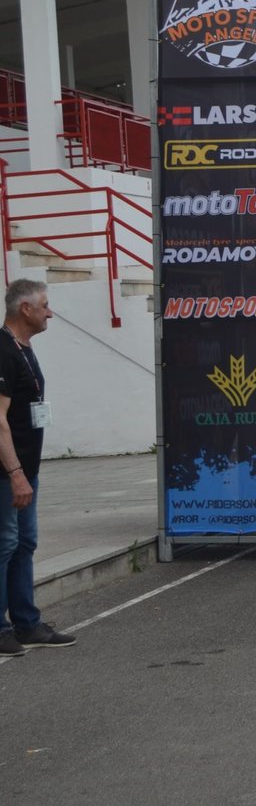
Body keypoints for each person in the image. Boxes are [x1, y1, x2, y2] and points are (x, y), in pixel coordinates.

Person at [0, 279, 76, 656]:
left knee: (25, 542)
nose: (50, 313)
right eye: (44, 306)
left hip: (26, 470)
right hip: (7, 472)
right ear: (25, 309)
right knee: (5, 544)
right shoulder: (3, 351)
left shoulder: (24, 348)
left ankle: (27, 623)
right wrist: (15, 474)